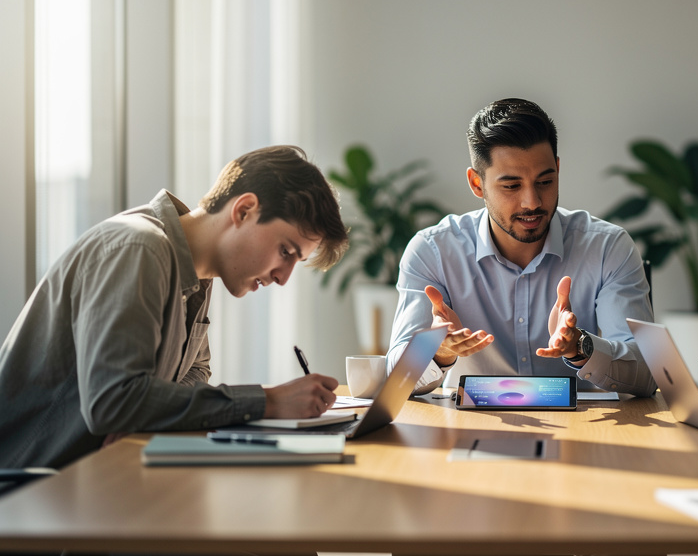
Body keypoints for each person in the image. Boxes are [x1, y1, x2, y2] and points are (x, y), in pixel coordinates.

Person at [0, 145, 349, 471]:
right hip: (28, 491)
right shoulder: (139, 248)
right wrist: (268, 402)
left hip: (94, 481)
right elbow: (113, 402)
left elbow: (195, 373)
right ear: (244, 210)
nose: (283, 277)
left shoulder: (197, 273)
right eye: (286, 252)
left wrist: (146, 413)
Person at [387, 98, 656, 397]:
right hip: (468, 428)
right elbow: (395, 378)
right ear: (477, 183)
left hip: (580, 431)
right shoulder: (433, 251)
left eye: (545, 181)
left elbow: (648, 372)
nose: (533, 202)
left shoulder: (607, 247)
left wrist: (580, 345)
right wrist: (438, 352)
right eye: (512, 186)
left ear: (557, 168)